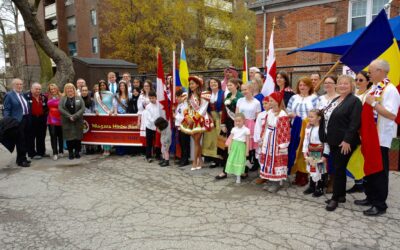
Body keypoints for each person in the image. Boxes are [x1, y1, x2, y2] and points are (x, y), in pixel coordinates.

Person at [355, 59, 400, 216]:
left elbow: (392, 114)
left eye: (371, 71)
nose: (369, 73)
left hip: (380, 138)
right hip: (370, 136)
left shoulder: (390, 90)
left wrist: (374, 104)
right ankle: (370, 196)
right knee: (370, 169)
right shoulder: (376, 88)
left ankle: (380, 204)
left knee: (379, 171)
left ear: (381, 71)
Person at [321, 75, 362, 211]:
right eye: (340, 83)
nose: (343, 86)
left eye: (346, 84)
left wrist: (347, 140)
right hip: (333, 140)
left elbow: (354, 123)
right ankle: (341, 195)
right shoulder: (336, 99)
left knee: (338, 169)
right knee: (339, 168)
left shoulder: (354, 101)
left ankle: (334, 199)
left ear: (351, 86)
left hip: (345, 142)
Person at [287, 77, 318, 187]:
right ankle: (298, 173)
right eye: (300, 85)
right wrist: (293, 115)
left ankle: (307, 175)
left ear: (309, 86)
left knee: (307, 150)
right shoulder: (294, 98)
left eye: (305, 85)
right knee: (297, 150)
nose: (302, 87)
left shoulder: (314, 99)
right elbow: (288, 110)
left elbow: (317, 113)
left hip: (309, 127)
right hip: (296, 127)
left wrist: (308, 121)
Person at [346, 71, 373, 194]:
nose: (357, 82)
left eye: (361, 80)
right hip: (352, 130)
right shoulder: (355, 94)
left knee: (360, 158)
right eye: (356, 79)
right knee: (354, 159)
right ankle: (359, 182)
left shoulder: (369, 95)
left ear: (368, 81)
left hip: (363, 131)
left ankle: (363, 183)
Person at [259, 91, 291, 192]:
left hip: (276, 140)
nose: (270, 103)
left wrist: (282, 145)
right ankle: (270, 180)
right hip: (269, 138)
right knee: (268, 160)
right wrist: (263, 137)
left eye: (272, 101)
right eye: (270, 101)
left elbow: (284, 131)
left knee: (276, 160)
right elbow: (265, 125)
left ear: (277, 101)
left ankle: (276, 183)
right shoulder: (270, 112)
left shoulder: (282, 114)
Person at [180, 76, 211, 170]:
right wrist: (187, 117)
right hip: (189, 119)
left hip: (199, 119)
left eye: (193, 83)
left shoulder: (204, 95)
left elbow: (203, 109)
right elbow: (184, 108)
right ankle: (200, 160)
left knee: (197, 141)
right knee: (196, 141)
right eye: (190, 84)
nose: (191, 85)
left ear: (198, 84)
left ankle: (194, 162)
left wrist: (194, 119)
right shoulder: (187, 95)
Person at [215, 78, 243, 179]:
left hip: (238, 125)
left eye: (231, 85)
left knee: (237, 148)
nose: (229, 87)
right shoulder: (228, 96)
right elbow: (224, 110)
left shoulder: (241, 96)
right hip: (228, 124)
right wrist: (222, 124)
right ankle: (225, 171)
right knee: (228, 147)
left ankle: (241, 170)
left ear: (237, 85)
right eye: (228, 85)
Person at [315, 75, 338, 193]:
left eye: (330, 82)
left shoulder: (340, 98)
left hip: (334, 132)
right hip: (322, 131)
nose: (327, 84)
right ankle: (322, 179)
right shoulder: (321, 99)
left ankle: (332, 181)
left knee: (332, 158)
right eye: (326, 82)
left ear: (335, 84)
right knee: (321, 156)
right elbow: (317, 115)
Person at [3, 78, 31, 167]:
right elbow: (7, 109)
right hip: (17, 120)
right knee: (20, 140)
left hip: (26, 118)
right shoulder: (9, 95)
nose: (19, 86)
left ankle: (22, 158)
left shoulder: (23, 94)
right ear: (13, 86)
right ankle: (21, 160)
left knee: (26, 139)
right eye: (17, 84)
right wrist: (8, 121)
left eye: (21, 84)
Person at [302, 109, 329, 197]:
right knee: (312, 169)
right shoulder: (309, 128)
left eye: (311, 117)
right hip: (311, 152)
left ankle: (320, 188)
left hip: (320, 152)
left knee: (321, 170)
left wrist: (325, 155)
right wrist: (304, 151)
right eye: (308, 116)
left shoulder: (323, 129)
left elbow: (326, 143)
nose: (309, 118)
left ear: (319, 118)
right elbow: (306, 140)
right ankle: (312, 186)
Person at [236, 83, 261, 176]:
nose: (243, 92)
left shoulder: (256, 102)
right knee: (241, 147)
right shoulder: (240, 100)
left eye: (245, 89)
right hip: (241, 125)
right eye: (242, 90)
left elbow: (258, 118)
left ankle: (247, 167)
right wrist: (236, 127)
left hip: (251, 126)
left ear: (251, 89)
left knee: (249, 149)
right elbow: (237, 114)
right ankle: (242, 168)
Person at [58, 83, 85, 160]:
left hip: (78, 120)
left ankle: (77, 152)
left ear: (74, 89)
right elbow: (60, 108)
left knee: (77, 138)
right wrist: (69, 116)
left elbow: (82, 108)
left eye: (71, 88)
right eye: (68, 88)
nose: (70, 90)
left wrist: (75, 116)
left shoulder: (79, 98)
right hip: (67, 121)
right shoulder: (63, 99)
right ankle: (70, 153)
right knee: (69, 138)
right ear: (65, 90)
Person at [202, 78, 224, 168]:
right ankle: (214, 160)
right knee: (210, 138)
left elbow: (224, 106)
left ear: (218, 83)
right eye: (211, 83)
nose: (213, 84)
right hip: (210, 117)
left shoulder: (223, 93)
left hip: (220, 117)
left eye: (215, 82)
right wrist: (210, 117)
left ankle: (221, 159)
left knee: (219, 138)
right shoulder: (207, 94)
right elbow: (204, 107)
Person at [25, 82, 49, 159]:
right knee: (31, 137)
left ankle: (41, 152)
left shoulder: (43, 97)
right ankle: (32, 153)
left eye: (39, 89)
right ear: (31, 89)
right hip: (31, 119)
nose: (38, 91)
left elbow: (46, 107)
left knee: (41, 136)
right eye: (36, 89)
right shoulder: (26, 96)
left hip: (42, 119)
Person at [224, 113, 250, 184]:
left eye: (239, 121)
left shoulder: (246, 130)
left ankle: (238, 176)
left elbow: (247, 142)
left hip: (241, 147)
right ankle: (235, 173)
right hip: (234, 146)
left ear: (243, 121)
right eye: (236, 121)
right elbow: (230, 139)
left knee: (240, 161)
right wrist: (229, 148)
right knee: (234, 160)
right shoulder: (233, 129)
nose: (237, 123)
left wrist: (247, 151)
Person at [254, 96, 271, 185]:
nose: (264, 105)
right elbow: (257, 128)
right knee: (261, 158)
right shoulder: (261, 115)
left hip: (269, 140)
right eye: (263, 103)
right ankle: (263, 175)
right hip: (261, 140)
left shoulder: (273, 114)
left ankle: (270, 175)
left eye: (266, 103)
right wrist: (258, 140)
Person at [143, 90, 164, 162]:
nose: (151, 100)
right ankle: (148, 156)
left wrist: (159, 124)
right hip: (150, 126)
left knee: (158, 141)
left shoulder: (160, 104)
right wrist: (156, 121)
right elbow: (149, 117)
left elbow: (161, 114)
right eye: (150, 98)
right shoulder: (148, 107)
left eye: (153, 98)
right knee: (149, 142)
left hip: (158, 126)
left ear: (156, 97)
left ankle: (158, 155)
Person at [94, 80, 114, 156]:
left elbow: (113, 104)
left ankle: (108, 149)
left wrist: (111, 111)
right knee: (102, 132)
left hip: (108, 114)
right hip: (100, 115)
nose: (102, 86)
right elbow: (96, 105)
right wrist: (96, 110)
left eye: (103, 85)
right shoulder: (96, 94)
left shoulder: (110, 94)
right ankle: (104, 148)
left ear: (106, 85)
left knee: (107, 132)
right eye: (101, 85)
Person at [47, 83, 63, 161]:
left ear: (57, 89)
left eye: (54, 89)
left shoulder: (61, 96)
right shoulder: (48, 96)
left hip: (60, 118)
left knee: (60, 135)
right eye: (51, 89)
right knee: (53, 135)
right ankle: (55, 153)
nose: (53, 90)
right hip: (51, 119)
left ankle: (61, 150)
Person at [174, 90, 190, 167]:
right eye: (176, 96)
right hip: (179, 126)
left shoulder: (185, 105)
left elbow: (185, 117)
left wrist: (175, 116)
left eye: (178, 97)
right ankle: (182, 158)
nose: (176, 98)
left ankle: (185, 159)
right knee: (181, 143)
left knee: (185, 143)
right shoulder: (180, 105)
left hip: (184, 126)